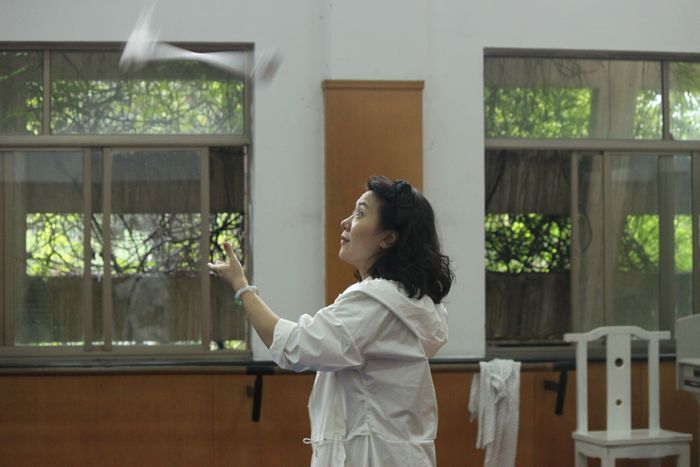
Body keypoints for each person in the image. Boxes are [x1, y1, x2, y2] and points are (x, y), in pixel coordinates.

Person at [208, 175, 453, 467]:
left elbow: (294, 346)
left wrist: (241, 287)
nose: (345, 222)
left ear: (388, 237)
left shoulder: (376, 303)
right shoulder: (407, 301)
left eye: (360, 214)